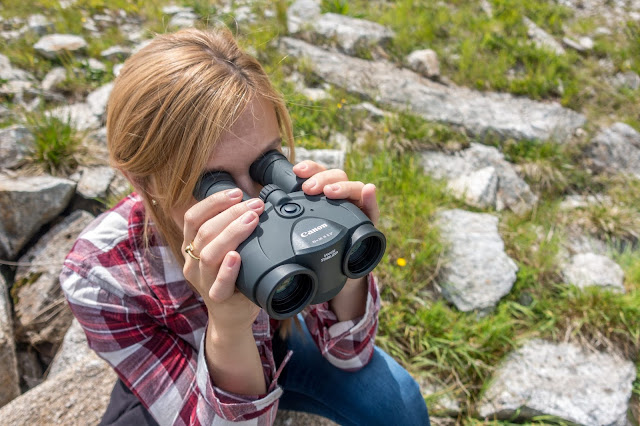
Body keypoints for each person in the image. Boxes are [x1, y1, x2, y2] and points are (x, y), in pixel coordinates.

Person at [59, 27, 430, 426]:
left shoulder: (291, 202)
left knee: (398, 403)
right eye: (213, 182)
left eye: (268, 161)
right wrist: (229, 325)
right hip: (193, 366)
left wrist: (345, 252)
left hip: (279, 336)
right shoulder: (100, 275)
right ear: (141, 180)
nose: (256, 198)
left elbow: (351, 354)